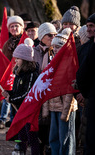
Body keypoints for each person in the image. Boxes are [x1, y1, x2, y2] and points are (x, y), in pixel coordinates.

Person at [42, 28, 77, 155]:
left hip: (65, 108)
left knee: (66, 139)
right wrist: (46, 108)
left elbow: (69, 89)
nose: (55, 49)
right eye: (54, 47)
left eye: (58, 47)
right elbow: (47, 86)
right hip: (53, 106)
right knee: (54, 138)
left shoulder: (69, 63)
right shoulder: (52, 63)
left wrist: (66, 110)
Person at [2, 41, 40, 154]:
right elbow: (16, 91)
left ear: (25, 59)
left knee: (31, 136)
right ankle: (21, 150)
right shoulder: (19, 73)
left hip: (28, 111)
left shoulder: (32, 73)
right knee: (20, 135)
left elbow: (26, 93)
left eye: (18, 58)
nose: (15, 61)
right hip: (19, 110)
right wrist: (9, 93)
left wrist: (11, 99)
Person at [0, 15, 24, 129]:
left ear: (21, 27)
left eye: (16, 26)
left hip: (22, 76)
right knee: (8, 96)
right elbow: (4, 61)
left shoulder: (25, 40)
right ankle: (7, 121)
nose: (14, 28)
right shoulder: (7, 43)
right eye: (11, 26)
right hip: (10, 75)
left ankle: (14, 124)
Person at [33, 22, 57, 154]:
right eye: (50, 35)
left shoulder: (56, 51)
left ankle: (48, 146)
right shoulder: (34, 52)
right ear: (42, 36)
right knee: (40, 123)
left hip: (52, 93)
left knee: (50, 123)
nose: (53, 37)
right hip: (38, 92)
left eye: (55, 35)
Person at [76, 12, 95, 155]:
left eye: (93, 26)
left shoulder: (94, 48)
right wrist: (80, 92)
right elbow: (79, 73)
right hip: (88, 99)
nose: (89, 29)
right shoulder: (84, 48)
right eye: (87, 26)